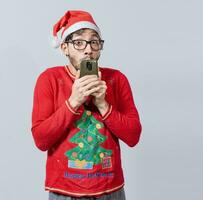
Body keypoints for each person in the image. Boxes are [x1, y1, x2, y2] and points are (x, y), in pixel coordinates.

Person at [31, 10, 142, 200]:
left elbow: (133, 136)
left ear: (100, 47)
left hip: (111, 189)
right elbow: (41, 140)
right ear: (65, 48)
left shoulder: (117, 79)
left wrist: (103, 104)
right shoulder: (49, 79)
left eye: (94, 41)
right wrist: (74, 101)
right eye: (79, 42)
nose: (88, 49)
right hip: (65, 191)